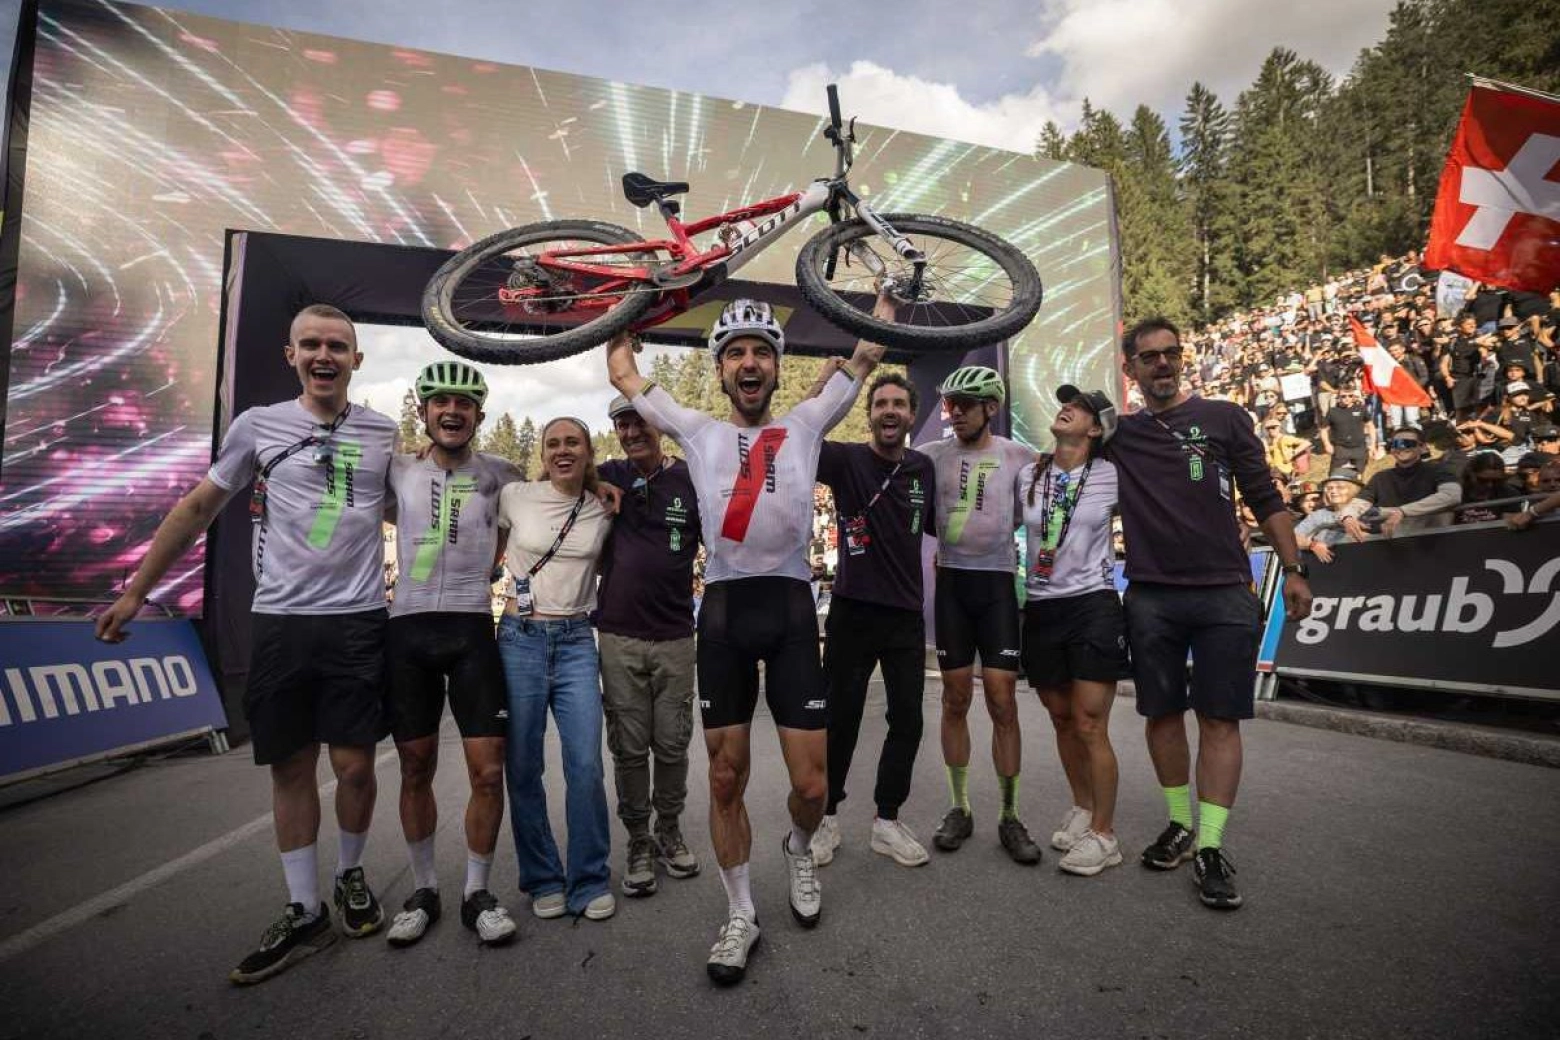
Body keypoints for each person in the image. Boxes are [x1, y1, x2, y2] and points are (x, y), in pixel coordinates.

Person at [95, 304, 398, 982]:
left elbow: (423, 501)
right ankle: (303, 908)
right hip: (282, 622)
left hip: (356, 623)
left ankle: (350, 876)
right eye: (311, 344)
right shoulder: (258, 425)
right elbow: (198, 507)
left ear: (357, 359)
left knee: (353, 768)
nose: (325, 355)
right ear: (291, 355)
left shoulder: (382, 431)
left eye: (338, 345)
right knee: (292, 769)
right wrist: (136, 591)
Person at [605, 296, 886, 985]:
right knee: (726, 778)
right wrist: (633, 300)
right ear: (722, 369)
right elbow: (621, 368)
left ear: (776, 365)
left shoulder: (808, 421)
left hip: (789, 606)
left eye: (761, 350)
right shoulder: (695, 430)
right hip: (726, 611)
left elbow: (869, 350)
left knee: (812, 785)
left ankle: (796, 846)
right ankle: (740, 913)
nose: (750, 361)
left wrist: (891, 290)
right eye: (736, 352)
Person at [1108, 317, 1313, 911]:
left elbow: (1265, 495)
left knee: (1220, 718)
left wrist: (1294, 568)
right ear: (1132, 369)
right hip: (1150, 594)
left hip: (1225, 591)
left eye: (1172, 353)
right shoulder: (1119, 433)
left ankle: (1211, 845)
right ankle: (1179, 824)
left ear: (1184, 358)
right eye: (1150, 357)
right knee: (1163, 714)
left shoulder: (1224, 418)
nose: (1164, 364)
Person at [382, 361, 520, 948]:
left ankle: (476, 892)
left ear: (479, 417)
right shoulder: (398, 470)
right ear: (424, 412)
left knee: (488, 772)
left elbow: (539, 510)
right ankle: (423, 889)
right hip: (407, 632)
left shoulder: (502, 474)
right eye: (441, 402)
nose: (453, 411)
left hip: (470, 630)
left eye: (464, 404)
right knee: (415, 767)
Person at [808, 371, 937, 869]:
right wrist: (826, 380)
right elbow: (804, 429)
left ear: (910, 415)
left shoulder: (923, 468)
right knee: (840, 719)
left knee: (907, 720)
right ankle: (826, 817)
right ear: (869, 414)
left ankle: (887, 820)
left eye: (898, 404)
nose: (889, 410)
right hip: (852, 610)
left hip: (905, 615)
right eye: (880, 402)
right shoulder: (845, 461)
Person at [920, 365, 1042, 865]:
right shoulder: (930, 456)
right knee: (953, 698)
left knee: (1001, 700)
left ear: (991, 407)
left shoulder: (1020, 456)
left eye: (966, 404)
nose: (955, 413)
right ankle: (960, 806)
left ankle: (1010, 816)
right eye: (950, 404)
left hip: (995, 585)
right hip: (951, 584)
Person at [497, 417, 615, 922]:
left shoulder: (604, 506)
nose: (562, 451)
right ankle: (543, 876)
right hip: (519, 639)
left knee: (585, 763)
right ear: (542, 453)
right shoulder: (514, 495)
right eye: (553, 444)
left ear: (588, 452)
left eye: (573, 443)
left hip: (574, 642)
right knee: (523, 766)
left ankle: (589, 879)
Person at [596, 394, 703, 897]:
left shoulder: (691, 478)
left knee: (674, 744)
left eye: (640, 422)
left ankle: (669, 829)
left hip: (677, 636)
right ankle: (638, 838)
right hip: (618, 636)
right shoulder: (607, 473)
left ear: (658, 425)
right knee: (629, 749)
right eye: (623, 423)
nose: (633, 431)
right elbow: (555, 473)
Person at [1019, 386, 1129, 876]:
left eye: (1081, 408)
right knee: (1061, 718)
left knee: (1089, 723)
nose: (1067, 408)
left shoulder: (1110, 475)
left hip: (1093, 605)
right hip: (1041, 607)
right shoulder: (1030, 472)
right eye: (1067, 403)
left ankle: (1105, 835)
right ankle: (1083, 807)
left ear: (1096, 428)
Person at [1339, 427, 1462, 539]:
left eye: (1409, 443)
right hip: (1392, 545)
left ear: (1423, 447)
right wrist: (1348, 516)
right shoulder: (1380, 477)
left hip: (1433, 541)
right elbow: (1359, 503)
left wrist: (1403, 511)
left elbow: (1452, 496)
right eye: (1396, 444)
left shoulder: (1439, 470)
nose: (1402, 447)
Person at [1293, 466, 1362, 563]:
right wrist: (1312, 545)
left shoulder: (1369, 511)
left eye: (1340, 487)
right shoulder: (1318, 516)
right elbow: (1293, 538)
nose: (1333, 491)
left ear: (1354, 490)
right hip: (1329, 569)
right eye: (1329, 488)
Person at [1319, 386, 1376, 475]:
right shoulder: (1333, 412)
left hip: (1359, 448)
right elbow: (1323, 430)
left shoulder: (1361, 409)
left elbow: (1370, 426)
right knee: (1335, 477)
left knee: (1357, 477)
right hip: (1341, 449)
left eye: (1350, 396)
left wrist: (1372, 444)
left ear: (1354, 396)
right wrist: (1327, 445)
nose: (1347, 398)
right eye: (1343, 396)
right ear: (1338, 397)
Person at [1452, 452, 1522, 525]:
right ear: (1471, 474)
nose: (1490, 485)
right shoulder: (1457, 492)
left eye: (1496, 481)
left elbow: (1508, 527)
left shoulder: (1509, 494)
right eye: (1483, 480)